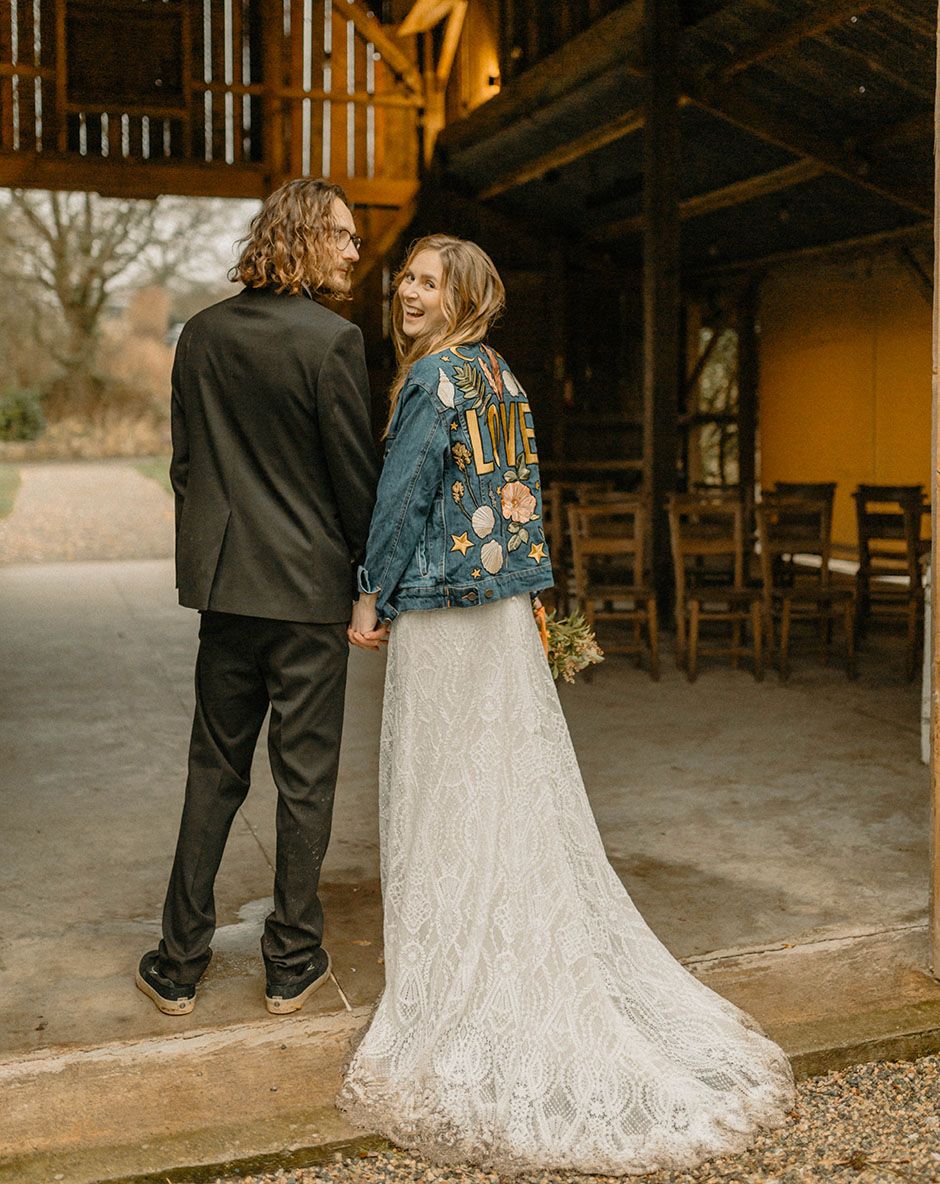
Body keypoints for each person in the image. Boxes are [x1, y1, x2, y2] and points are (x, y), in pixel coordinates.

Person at [339, 234, 795, 1174]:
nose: (408, 294)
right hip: (502, 611)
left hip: (442, 612)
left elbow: (405, 497)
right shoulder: (503, 377)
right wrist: (535, 593)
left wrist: (370, 589)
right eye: (408, 280)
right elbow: (524, 500)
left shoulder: (433, 382)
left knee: (438, 789)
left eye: (428, 283)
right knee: (504, 785)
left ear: (462, 297)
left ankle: (454, 972)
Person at [136, 178, 379, 1018]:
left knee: (214, 773)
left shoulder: (199, 336)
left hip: (227, 593)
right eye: (344, 236)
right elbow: (355, 482)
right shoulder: (333, 342)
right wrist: (366, 581)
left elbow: (186, 467)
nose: (356, 250)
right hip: (309, 595)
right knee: (305, 781)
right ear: (307, 238)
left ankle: (177, 962)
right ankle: (290, 963)